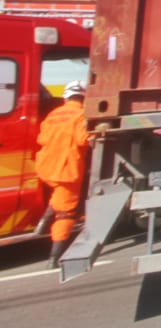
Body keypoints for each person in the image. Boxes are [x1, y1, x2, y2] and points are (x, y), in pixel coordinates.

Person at [35, 80, 92, 268]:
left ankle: (42, 225)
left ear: (66, 96)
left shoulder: (53, 114)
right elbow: (84, 140)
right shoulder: (81, 115)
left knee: (57, 196)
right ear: (84, 97)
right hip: (66, 169)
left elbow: (41, 138)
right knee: (65, 213)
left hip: (46, 166)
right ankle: (54, 256)